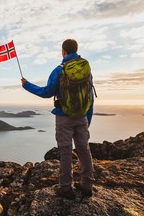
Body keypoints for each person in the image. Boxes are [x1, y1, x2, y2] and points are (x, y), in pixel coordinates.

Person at [21, 39, 95, 200]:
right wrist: (87, 117)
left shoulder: (59, 70)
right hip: (82, 115)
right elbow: (90, 95)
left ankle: (66, 187)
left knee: (66, 152)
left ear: (63, 51)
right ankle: (87, 185)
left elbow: (47, 92)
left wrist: (27, 85)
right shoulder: (86, 69)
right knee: (84, 149)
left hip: (64, 117)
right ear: (76, 49)